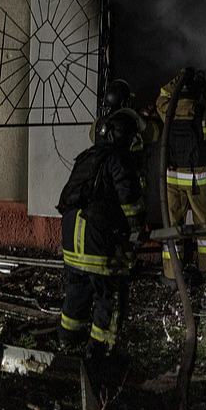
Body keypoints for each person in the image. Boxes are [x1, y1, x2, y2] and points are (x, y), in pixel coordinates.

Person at [57, 111, 148, 360]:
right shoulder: (118, 159)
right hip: (94, 237)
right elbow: (129, 200)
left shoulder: (87, 157)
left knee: (77, 288)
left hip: (70, 234)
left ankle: (67, 342)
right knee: (110, 291)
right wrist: (139, 228)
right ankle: (99, 354)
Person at [156, 68, 206, 285]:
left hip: (172, 181)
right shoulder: (205, 114)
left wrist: (178, 77)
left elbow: (161, 94)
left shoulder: (166, 111)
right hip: (198, 182)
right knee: (205, 227)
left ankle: (172, 275)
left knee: (172, 226)